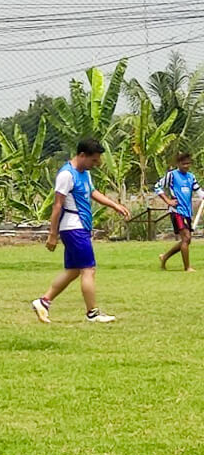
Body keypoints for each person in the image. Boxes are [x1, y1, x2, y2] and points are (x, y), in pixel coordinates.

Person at [31, 138, 130, 324]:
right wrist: (52, 234)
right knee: (88, 270)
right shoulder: (66, 175)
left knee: (74, 270)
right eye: (94, 160)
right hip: (73, 228)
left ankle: (43, 302)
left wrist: (115, 205)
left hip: (80, 227)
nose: (96, 164)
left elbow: (92, 192)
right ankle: (93, 313)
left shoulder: (84, 173)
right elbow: (57, 205)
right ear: (82, 155)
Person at [154, 152, 202, 272]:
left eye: (188, 164)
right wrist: (168, 201)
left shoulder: (191, 177)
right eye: (184, 164)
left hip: (187, 212)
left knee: (187, 240)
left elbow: (199, 192)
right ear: (178, 164)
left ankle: (165, 257)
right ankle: (187, 267)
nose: (186, 166)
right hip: (177, 211)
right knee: (186, 238)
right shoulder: (172, 175)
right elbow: (157, 187)